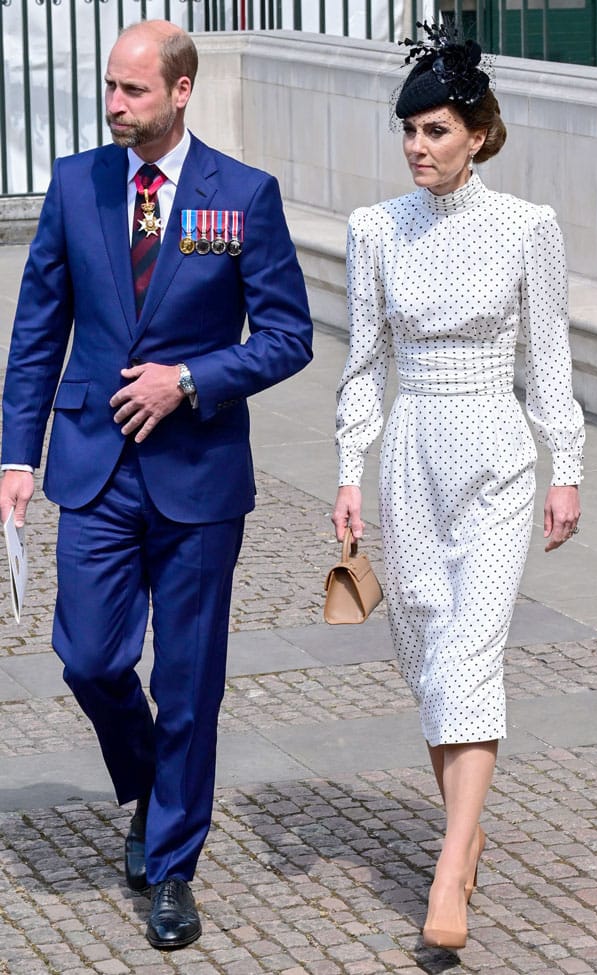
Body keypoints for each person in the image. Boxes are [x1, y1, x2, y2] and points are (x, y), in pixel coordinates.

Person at [0, 20, 312, 951]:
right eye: (110, 87)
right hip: (94, 467)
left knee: (188, 681)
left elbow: (286, 335)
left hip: (199, 479)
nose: (114, 105)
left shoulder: (243, 197)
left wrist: (192, 380)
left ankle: (172, 861)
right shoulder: (74, 184)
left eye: (133, 91)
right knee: (90, 657)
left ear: (181, 92)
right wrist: (18, 457)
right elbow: (37, 334)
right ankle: (149, 782)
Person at [332, 23, 583, 953]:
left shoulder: (529, 228)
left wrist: (569, 467)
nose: (417, 148)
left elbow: (549, 359)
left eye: (435, 131)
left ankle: (448, 867)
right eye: (408, 132)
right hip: (409, 456)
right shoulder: (373, 229)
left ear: (476, 133)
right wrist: (350, 471)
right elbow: (363, 365)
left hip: (496, 455)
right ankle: (464, 833)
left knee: (473, 650)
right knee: (432, 650)